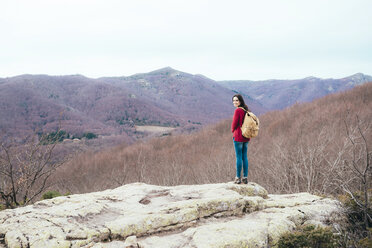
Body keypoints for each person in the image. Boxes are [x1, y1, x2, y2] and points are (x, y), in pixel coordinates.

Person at [231, 94, 250, 184]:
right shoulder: (245, 109)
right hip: (246, 136)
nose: (235, 102)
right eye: (234, 100)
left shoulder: (238, 110)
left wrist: (232, 130)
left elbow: (234, 124)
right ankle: (245, 177)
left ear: (240, 101)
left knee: (238, 157)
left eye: (236, 100)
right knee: (244, 157)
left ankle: (238, 178)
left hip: (238, 136)